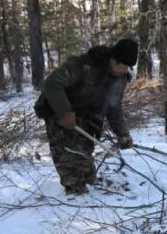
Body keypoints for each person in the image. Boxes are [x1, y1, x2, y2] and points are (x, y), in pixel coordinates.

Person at [34, 39, 139, 195]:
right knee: (69, 157)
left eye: (127, 68)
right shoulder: (83, 66)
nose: (124, 71)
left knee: (85, 164)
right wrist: (65, 111)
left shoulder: (120, 78)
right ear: (113, 59)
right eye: (122, 66)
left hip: (88, 115)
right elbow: (53, 83)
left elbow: (113, 106)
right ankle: (73, 195)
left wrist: (123, 134)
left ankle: (86, 183)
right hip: (58, 110)